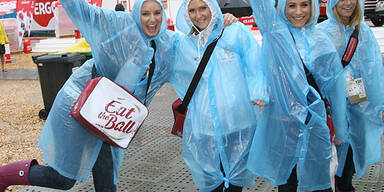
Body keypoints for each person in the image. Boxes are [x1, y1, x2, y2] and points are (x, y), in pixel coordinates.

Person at [0, 0, 175, 191]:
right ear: (136, 14)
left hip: (109, 119)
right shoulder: (118, 25)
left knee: (107, 178)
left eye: (157, 13)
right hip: (79, 104)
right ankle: (3, 175)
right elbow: (80, 9)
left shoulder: (165, 44)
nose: (152, 20)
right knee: (63, 179)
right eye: (145, 13)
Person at [168, 0, 268, 191]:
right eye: (192, 10)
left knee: (235, 183)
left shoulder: (234, 31)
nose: (199, 15)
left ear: (213, 8)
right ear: (185, 14)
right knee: (210, 184)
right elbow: (170, 68)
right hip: (204, 126)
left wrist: (258, 91)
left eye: (203, 8)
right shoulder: (185, 44)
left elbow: (255, 62)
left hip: (237, 124)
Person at [247, 0, 347, 191]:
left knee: (319, 182)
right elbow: (261, 5)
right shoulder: (276, 34)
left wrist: (340, 130)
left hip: (316, 123)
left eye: (305, 4)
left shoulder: (321, 40)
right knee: (287, 182)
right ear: (282, 7)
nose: (298, 12)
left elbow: (336, 89)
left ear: (313, 7)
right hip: (284, 125)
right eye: (291, 5)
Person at [317, 0, 384, 191]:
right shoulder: (321, 33)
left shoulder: (364, 32)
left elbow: (375, 72)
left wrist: (379, 105)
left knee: (349, 164)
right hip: (331, 112)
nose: (347, 3)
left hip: (358, 109)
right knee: (331, 165)